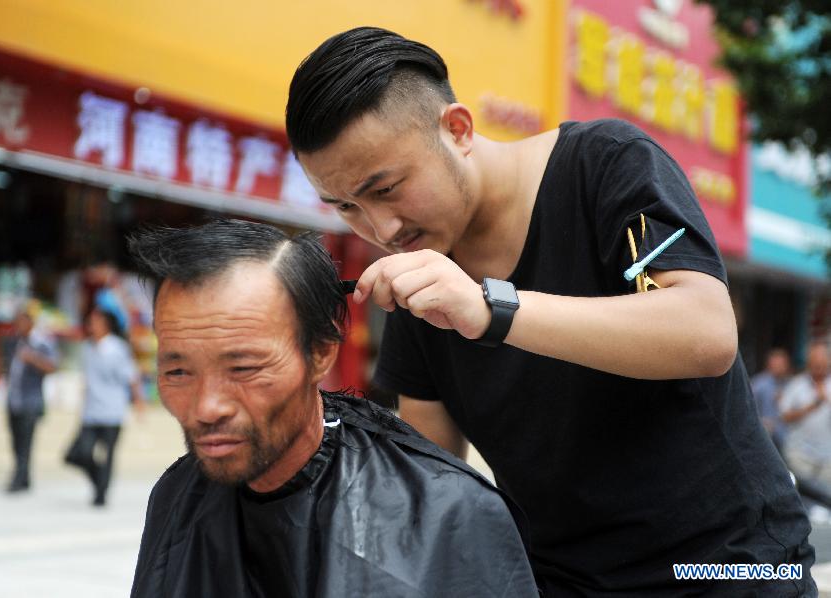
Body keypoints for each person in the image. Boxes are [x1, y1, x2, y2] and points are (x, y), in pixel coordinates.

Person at [285, 26, 816, 596]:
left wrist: (492, 308)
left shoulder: (608, 165)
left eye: (387, 188)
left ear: (458, 129)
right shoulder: (420, 277)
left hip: (733, 566)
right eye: (345, 206)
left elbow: (706, 332)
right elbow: (432, 486)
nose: (380, 229)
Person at [126, 219, 538, 597]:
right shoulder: (175, 495)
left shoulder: (449, 514)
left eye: (244, 367)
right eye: (178, 371)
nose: (207, 408)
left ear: (320, 354)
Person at [65, 307, 143, 506]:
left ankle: (101, 494)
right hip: (91, 412)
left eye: (95, 321)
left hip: (112, 410)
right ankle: (100, 481)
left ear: (106, 325)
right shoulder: (87, 348)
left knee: (107, 455)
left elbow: (131, 377)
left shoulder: (118, 349)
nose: (91, 325)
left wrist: (138, 402)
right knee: (78, 454)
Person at [3, 308, 59, 492]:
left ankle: (19, 477)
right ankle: (24, 477)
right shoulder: (14, 342)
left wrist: (33, 359)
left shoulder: (41, 344)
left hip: (31, 401)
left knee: (26, 441)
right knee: (15, 440)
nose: (18, 326)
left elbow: (52, 366)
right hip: (14, 399)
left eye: (21, 322)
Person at [781, 342, 831, 486]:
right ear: (809, 363)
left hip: (828, 457)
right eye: (815, 363)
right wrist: (811, 407)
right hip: (800, 453)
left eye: (822, 362)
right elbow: (784, 417)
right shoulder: (796, 384)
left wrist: (826, 401)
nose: (819, 366)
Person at [752, 347, 792, 452]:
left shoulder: (792, 384)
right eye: (775, 363)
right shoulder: (758, 384)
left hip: (788, 435)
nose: (779, 367)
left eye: (781, 364)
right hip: (766, 436)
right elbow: (750, 411)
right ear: (769, 364)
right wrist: (764, 422)